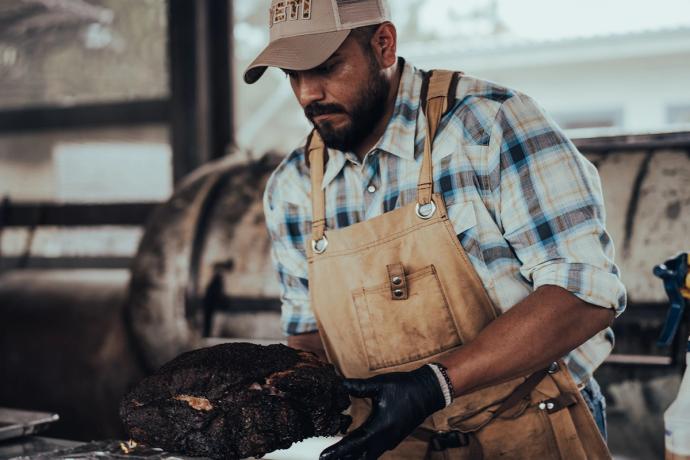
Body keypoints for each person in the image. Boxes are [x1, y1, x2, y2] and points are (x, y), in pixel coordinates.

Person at [245, 1, 626, 458]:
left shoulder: (490, 126)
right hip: (393, 447)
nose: (308, 94)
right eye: (291, 75)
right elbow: (309, 339)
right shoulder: (293, 187)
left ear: (383, 45)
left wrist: (433, 385)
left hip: (534, 429)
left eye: (326, 67)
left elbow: (585, 294)